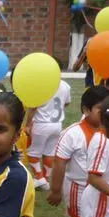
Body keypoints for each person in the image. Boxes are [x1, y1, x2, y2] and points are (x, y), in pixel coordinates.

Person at [48, 86, 109, 217]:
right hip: (78, 186)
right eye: (101, 109)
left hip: (104, 188)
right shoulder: (72, 133)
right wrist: (56, 190)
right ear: (86, 109)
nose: (106, 114)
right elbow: (59, 163)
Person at [25, 61, 71, 191]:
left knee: (33, 152)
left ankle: (39, 178)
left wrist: (28, 124)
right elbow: (66, 103)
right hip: (57, 124)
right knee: (49, 153)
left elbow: (33, 107)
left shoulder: (41, 84)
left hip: (41, 123)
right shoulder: (65, 85)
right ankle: (45, 179)